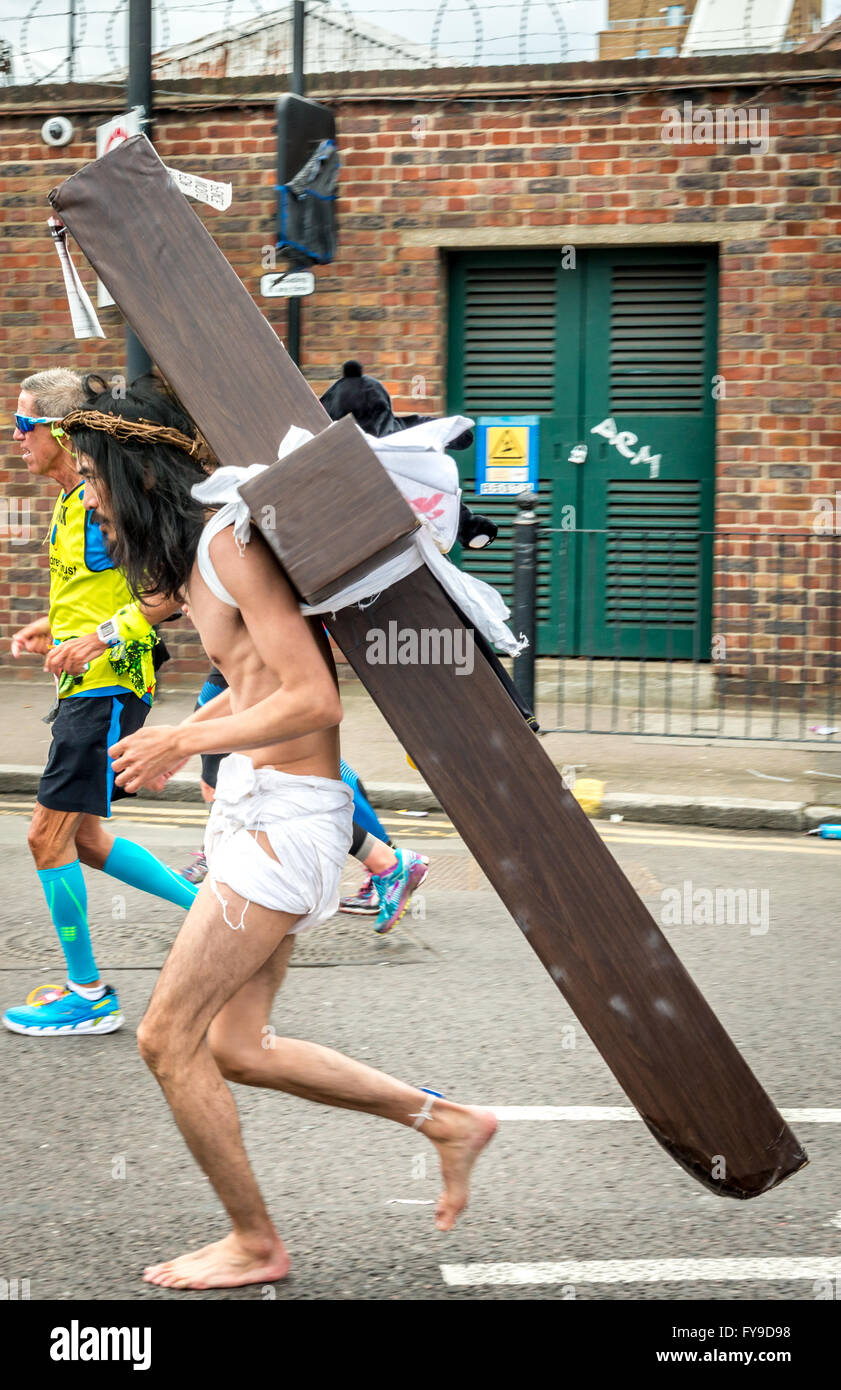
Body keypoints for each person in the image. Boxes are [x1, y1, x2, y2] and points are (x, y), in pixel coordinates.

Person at [63, 379, 496, 1289]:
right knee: (237, 1047)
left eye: (93, 480)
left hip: (288, 828)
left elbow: (312, 697)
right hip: (248, 817)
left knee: (164, 1037)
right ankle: (448, 1123)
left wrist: (183, 735)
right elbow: (170, 618)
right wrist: (89, 638)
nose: (86, 497)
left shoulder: (230, 546)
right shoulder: (193, 561)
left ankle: (256, 1243)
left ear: (136, 472)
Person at [4, 370, 198, 1037]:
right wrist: (54, 630)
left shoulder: (107, 499)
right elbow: (99, 594)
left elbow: (168, 594)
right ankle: (215, 915)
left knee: (44, 836)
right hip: (86, 683)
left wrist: (97, 640)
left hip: (107, 685)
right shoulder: (71, 501)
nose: (16, 440)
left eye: (24, 426)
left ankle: (87, 994)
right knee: (82, 838)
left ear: (59, 431)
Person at [181, 667, 429, 930]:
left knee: (288, 785)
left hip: (276, 672)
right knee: (281, 782)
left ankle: (388, 862)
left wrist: (181, 742)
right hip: (255, 670)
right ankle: (387, 862)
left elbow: (263, 675)